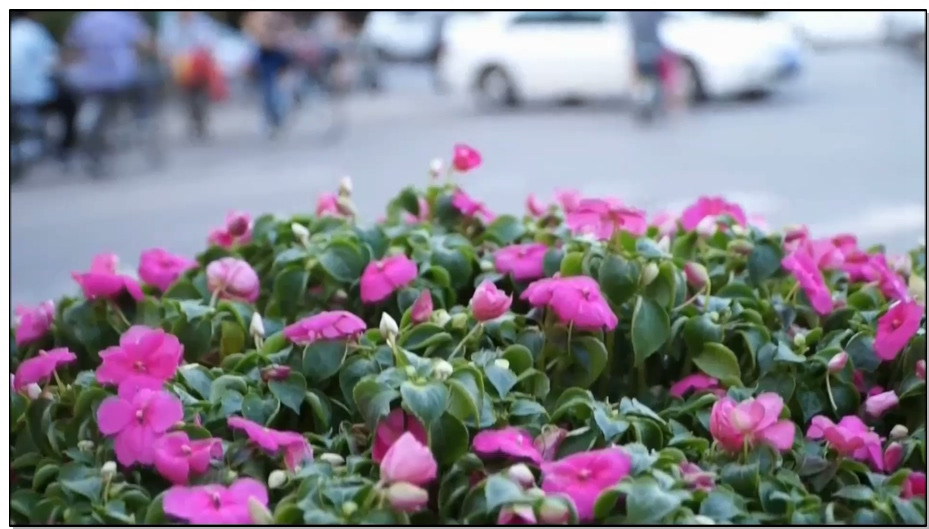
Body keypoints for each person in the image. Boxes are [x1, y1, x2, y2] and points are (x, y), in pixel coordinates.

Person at [63, 10, 154, 168]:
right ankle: (142, 121)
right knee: (145, 84)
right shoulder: (125, 18)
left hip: (91, 79)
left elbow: (72, 48)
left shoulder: (83, 19)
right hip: (122, 78)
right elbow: (143, 43)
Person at [10, 10, 78, 164]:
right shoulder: (35, 32)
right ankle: (65, 151)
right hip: (33, 94)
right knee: (70, 105)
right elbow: (52, 63)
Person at [159, 11, 221, 138]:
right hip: (181, 65)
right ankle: (193, 121)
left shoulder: (201, 21)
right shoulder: (172, 23)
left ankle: (201, 122)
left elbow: (210, 40)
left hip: (199, 64)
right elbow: (166, 44)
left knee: (201, 96)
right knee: (187, 97)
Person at [243, 11, 294, 137]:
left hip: (279, 56)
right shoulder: (256, 17)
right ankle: (272, 120)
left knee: (278, 91)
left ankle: (277, 119)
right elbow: (254, 34)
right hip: (265, 57)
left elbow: (288, 33)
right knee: (268, 92)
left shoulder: (280, 17)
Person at [628, 11, 669, 111]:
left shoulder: (635, 15)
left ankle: (646, 101)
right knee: (651, 79)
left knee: (646, 79)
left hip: (645, 50)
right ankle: (649, 102)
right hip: (651, 50)